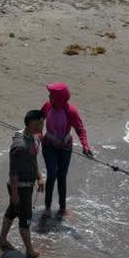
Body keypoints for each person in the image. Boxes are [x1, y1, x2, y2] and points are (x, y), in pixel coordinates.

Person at [0, 108, 47, 258]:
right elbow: (13, 173)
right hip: (19, 187)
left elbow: (33, 161)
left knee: (12, 211)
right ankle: (30, 251)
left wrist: (39, 177)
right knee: (25, 218)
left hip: (28, 184)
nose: (43, 126)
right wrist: (15, 193)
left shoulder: (35, 138)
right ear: (32, 123)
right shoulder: (19, 146)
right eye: (40, 123)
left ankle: (2, 239)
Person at [39, 82, 93, 218]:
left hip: (65, 146)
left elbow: (80, 130)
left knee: (62, 176)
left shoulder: (71, 112)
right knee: (52, 174)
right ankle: (47, 207)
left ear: (59, 99)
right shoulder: (47, 106)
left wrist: (85, 146)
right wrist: (39, 135)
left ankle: (62, 208)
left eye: (51, 95)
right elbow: (38, 122)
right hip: (49, 145)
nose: (49, 97)